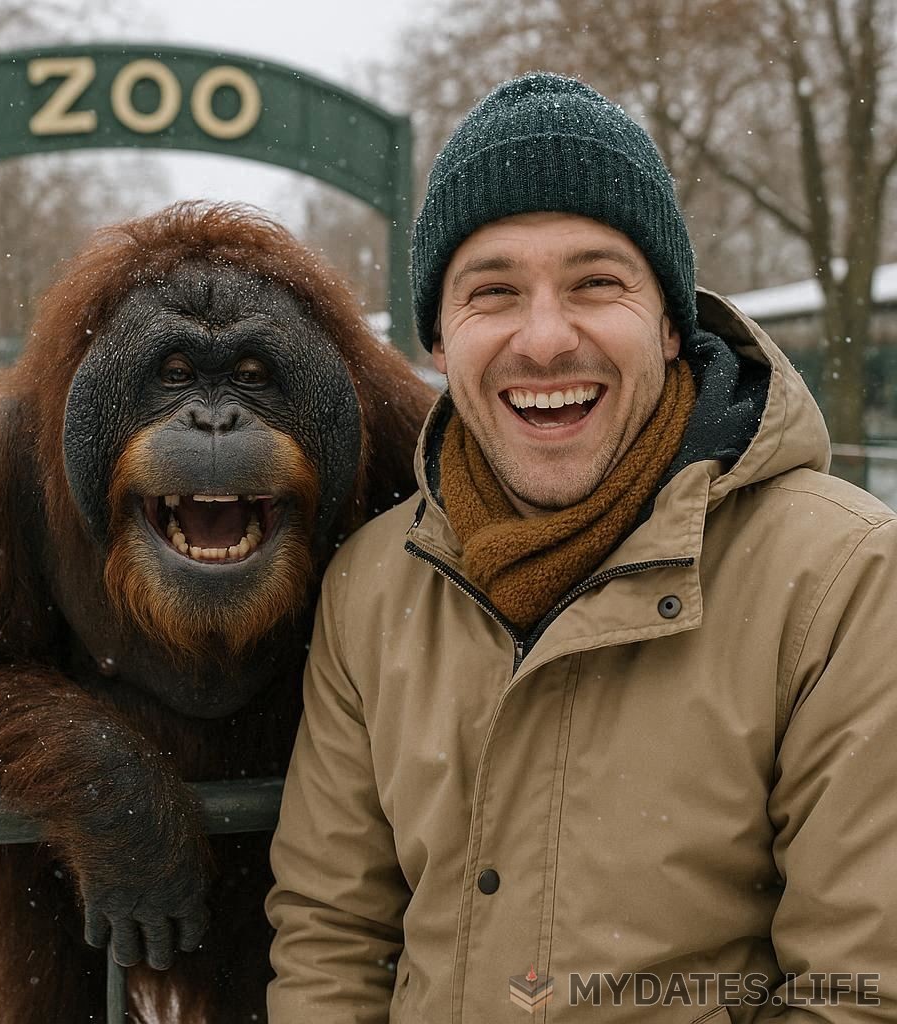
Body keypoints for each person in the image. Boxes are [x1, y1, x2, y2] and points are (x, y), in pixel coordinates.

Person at [264, 72, 897, 1022]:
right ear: (439, 337)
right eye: (493, 292)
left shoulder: (843, 580)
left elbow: (859, 989)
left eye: (598, 283)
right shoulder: (370, 584)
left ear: (673, 326)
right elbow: (333, 936)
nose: (547, 338)